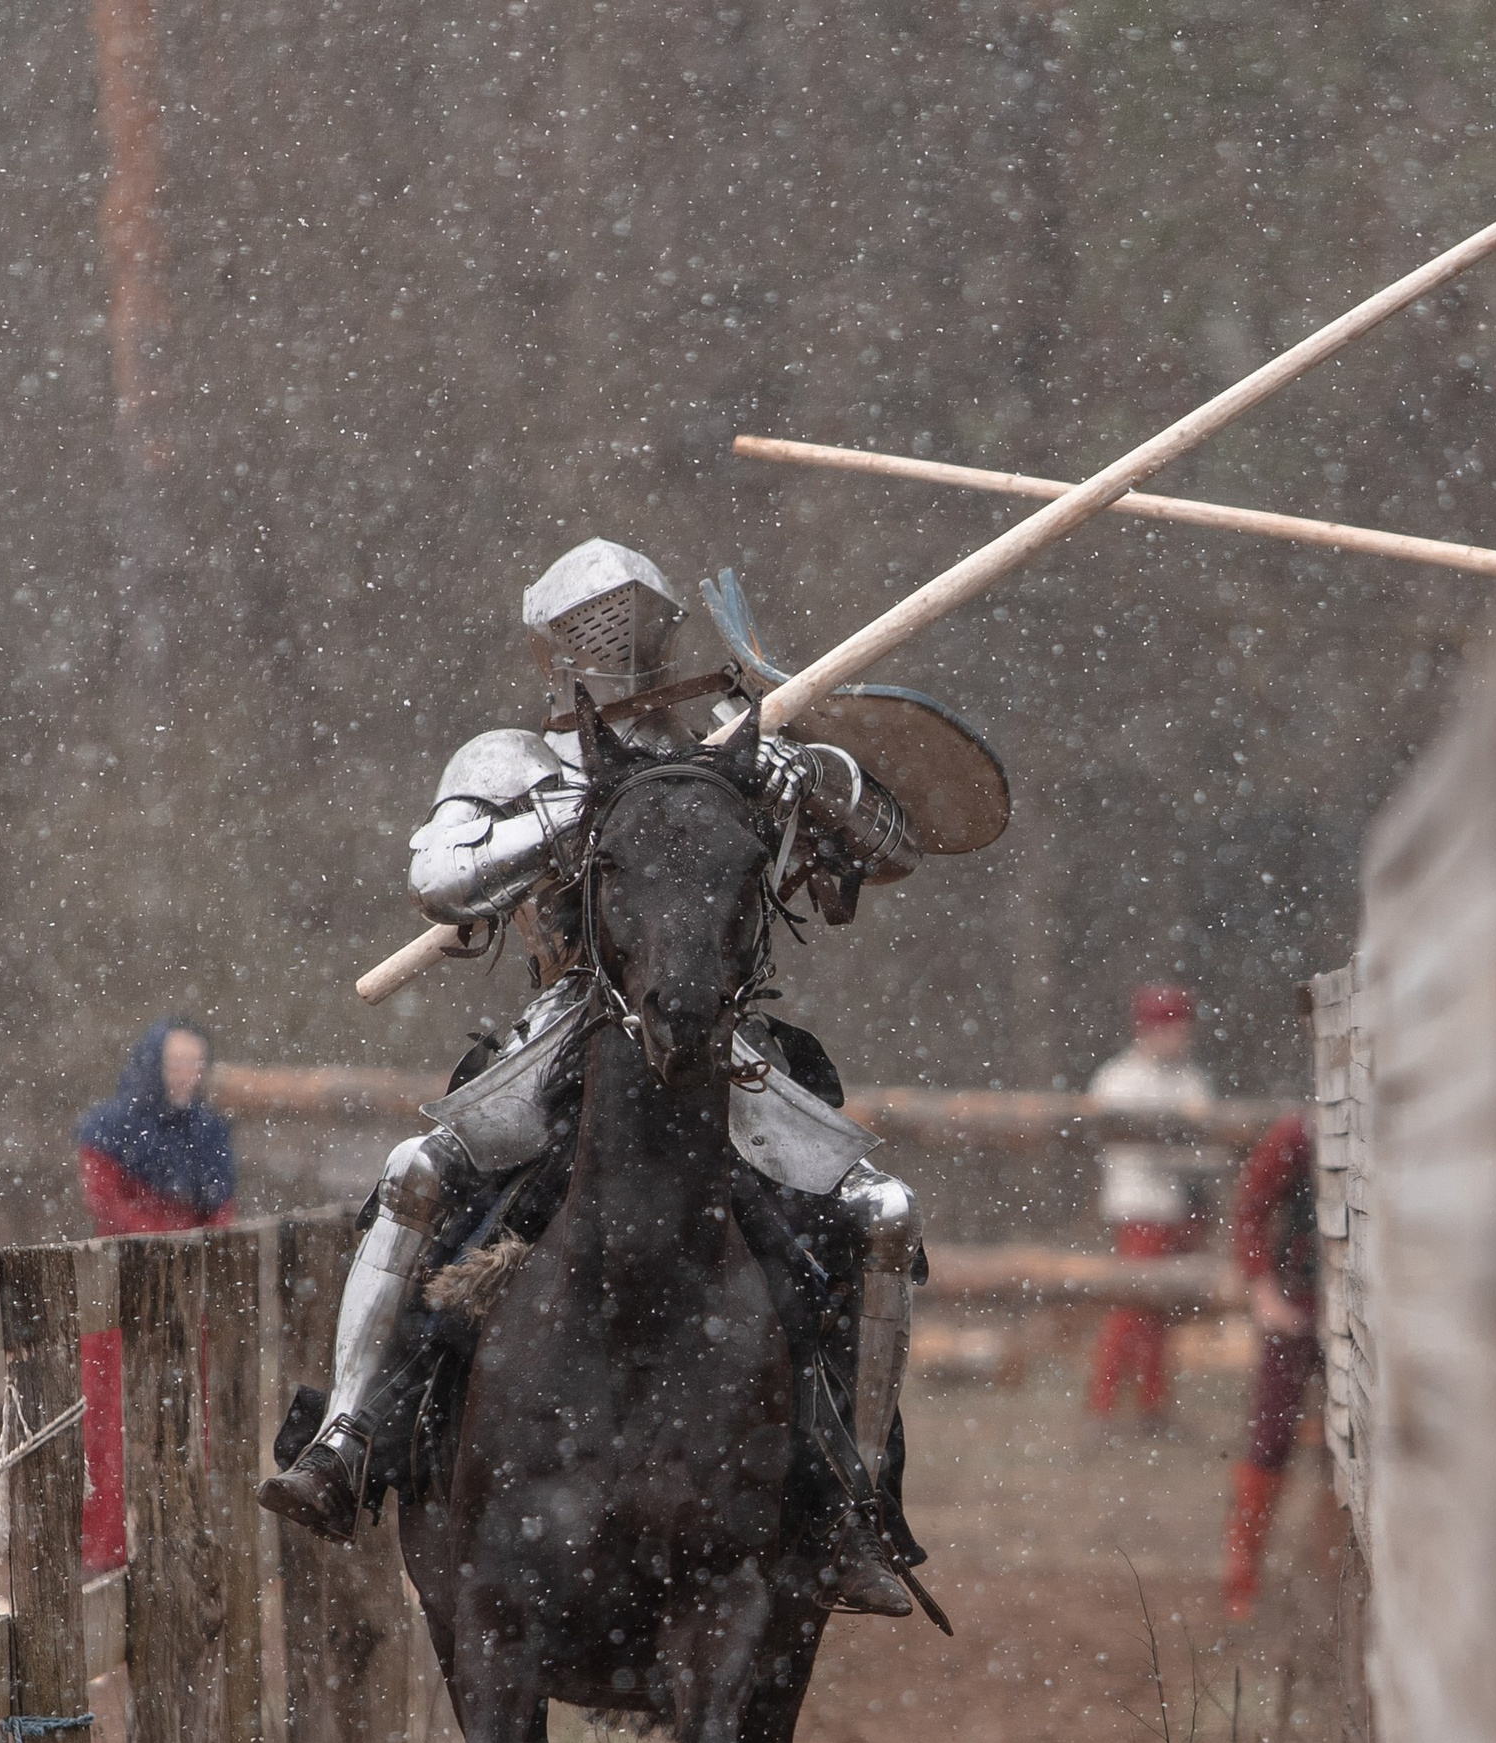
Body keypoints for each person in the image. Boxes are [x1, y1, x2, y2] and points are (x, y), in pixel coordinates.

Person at [257, 538, 1009, 1620]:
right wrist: (587, 805)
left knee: (883, 1213)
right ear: (548, 642)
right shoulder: (510, 758)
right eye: (589, 625)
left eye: (629, 619)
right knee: (419, 1172)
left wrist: (816, 771)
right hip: (566, 1032)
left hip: (722, 1042)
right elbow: (440, 879)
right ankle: (348, 1439)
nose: (613, 640)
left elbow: (891, 847)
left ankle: (855, 1497)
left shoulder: (728, 750)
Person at [76, 1019, 237, 1570]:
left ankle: (182, 1540)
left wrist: (191, 1252)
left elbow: (221, 1214)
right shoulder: (109, 1128)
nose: (186, 1076)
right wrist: (165, 1242)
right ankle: (109, 1550)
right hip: (118, 1294)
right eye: (175, 1063)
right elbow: (107, 1203)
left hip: (188, 1298)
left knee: (190, 1415)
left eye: (195, 1064)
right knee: (109, 1422)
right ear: (152, 1065)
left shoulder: (209, 1133)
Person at [1087, 985, 1214, 1425]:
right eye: (1171, 1027)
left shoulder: (1190, 1078)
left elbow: (1205, 1146)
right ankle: (1103, 1405)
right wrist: (1177, 1155)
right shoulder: (1119, 1079)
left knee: (1165, 1310)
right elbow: (1122, 1149)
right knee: (1131, 1307)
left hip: (1182, 1205)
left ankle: (1152, 1404)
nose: (1179, 1038)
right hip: (1139, 1207)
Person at [1222, 1108, 1320, 1617]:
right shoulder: (1298, 1133)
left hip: (1357, 1314)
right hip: (1297, 1304)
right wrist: (1264, 1292)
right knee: (1272, 1438)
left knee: (1347, 1441)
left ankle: (1327, 1573)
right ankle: (1242, 1578)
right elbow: (1251, 1208)